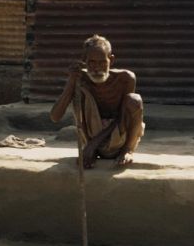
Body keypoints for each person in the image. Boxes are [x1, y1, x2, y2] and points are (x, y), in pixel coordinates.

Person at [50, 34, 144, 169]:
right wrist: (71, 81)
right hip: (91, 138)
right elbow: (55, 116)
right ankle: (91, 151)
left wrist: (93, 143)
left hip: (119, 137)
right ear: (84, 61)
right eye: (92, 63)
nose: (97, 68)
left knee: (134, 100)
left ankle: (128, 150)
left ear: (111, 60)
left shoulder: (125, 79)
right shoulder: (81, 79)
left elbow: (122, 116)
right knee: (79, 94)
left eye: (102, 62)